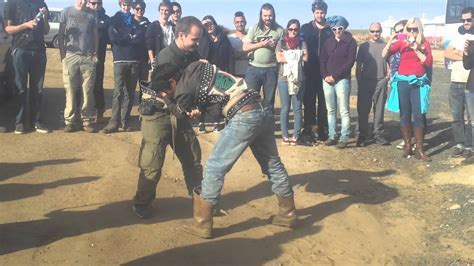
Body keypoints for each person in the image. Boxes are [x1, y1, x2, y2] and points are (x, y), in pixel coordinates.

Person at [151, 61, 298, 239]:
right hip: (260, 107)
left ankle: (202, 223)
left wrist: (166, 100)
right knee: (273, 163)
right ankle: (288, 213)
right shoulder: (194, 67)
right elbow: (211, 93)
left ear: (172, 81)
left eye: (167, 90)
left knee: (214, 167)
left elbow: (180, 112)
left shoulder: (182, 88)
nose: (169, 93)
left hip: (244, 115)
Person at [132, 16, 204, 219]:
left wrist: (195, 107)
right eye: (194, 39)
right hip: (157, 112)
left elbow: (195, 86)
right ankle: (142, 203)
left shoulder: (193, 54)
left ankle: (202, 203)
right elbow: (164, 92)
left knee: (192, 157)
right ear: (181, 36)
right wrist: (183, 109)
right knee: (152, 162)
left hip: (179, 111)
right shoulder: (166, 57)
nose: (197, 44)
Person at [385, 17, 433, 161]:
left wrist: (416, 49)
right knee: (405, 114)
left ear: (419, 29)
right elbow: (385, 54)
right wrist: (392, 39)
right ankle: (407, 145)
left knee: (418, 115)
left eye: (415, 29)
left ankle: (419, 149)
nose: (412, 31)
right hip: (403, 81)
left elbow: (428, 62)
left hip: (418, 82)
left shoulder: (424, 43)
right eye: (409, 29)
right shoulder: (401, 43)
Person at [4, 0, 51, 134]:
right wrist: (26, 25)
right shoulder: (12, 4)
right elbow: (8, 29)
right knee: (20, 88)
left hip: (39, 51)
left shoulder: (41, 3)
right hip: (20, 50)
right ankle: (20, 122)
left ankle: (36, 121)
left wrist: (46, 17)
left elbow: (46, 30)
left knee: (38, 89)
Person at [102, 0, 145, 133]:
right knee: (118, 92)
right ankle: (113, 122)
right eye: (124, 5)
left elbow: (139, 38)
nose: (126, 7)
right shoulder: (114, 20)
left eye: (128, 5)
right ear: (120, 5)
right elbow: (114, 38)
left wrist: (126, 37)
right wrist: (129, 37)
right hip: (119, 60)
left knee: (130, 93)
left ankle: (124, 121)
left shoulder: (135, 21)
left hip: (134, 60)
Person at [59, 0, 99, 133]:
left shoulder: (92, 14)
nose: (83, 2)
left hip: (88, 56)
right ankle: (69, 121)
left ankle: (86, 120)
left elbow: (95, 35)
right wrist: (62, 55)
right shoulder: (66, 12)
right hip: (71, 55)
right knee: (70, 89)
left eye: (86, 0)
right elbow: (60, 34)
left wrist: (95, 53)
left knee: (87, 90)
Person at [320, 16, 357, 149]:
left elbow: (349, 62)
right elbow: (322, 59)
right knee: (330, 110)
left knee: (344, 110)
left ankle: (344, 137)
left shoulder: (351, 42)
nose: (337, 31)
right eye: (334, 29)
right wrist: (325, 75)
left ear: (344, 28)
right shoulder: (328, 41)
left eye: (339, 28)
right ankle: (332, 136)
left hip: (342, 80)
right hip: (327, 80)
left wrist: (334, 76)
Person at [300, 0, 332, 144]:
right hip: (309, 70)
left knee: (324, 102)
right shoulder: (305, 28)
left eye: (322, 12)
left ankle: (323, 130)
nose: (320, 15)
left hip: (325, 71)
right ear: (313, 13)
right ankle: (309, 129)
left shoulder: (330, 29)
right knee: (309, 101)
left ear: (326, 13)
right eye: (317, 12)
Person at [243, 3, 284, 113]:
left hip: (271, 69)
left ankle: (268, 127)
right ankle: (253, 127)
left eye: (270, 15)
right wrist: (261, 44)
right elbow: (245, 47)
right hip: (253, 69)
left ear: (273, 15)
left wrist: (276, 46)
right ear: (261, 15)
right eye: (265, 15)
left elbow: (284, 51)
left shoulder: (280, 30)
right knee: (250, 100)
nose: (268, 18)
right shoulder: (254, 28)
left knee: (269, 102)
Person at [444, 7, 473, 158]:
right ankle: (459, 143)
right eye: (463, 20)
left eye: (469, 19)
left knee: (471, 118)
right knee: (456, 116)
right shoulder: (458, 35)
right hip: (455, 81)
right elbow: (447, 53)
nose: (466, 22)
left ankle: (469, 146)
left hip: (470, 82)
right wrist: (465, 56)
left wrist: (460, 53)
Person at [355, 22, 390, 147]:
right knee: (363, 110)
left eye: (378, 31)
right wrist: (359, 81)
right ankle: (362, 135)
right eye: (373, 31)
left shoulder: (385, 46)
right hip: (366, 81)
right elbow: (358, 66)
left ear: (381, 32)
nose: (376, 33)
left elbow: (391, 63)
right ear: (369, 32)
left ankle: (378, 134)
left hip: (381, 81)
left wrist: (388, 77)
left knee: (379, 109)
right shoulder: (364, 46)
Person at [197, 15, 233, 133]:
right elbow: (202, 53)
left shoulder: (223, 37)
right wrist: (204, 32)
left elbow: (229, 56)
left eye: (211, 23)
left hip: (221, 71)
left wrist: (230, 73)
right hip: (205, 72)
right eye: (206, 25)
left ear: (215, 24)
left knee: (218, 98)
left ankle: (217, 122)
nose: (209, 26)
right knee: (203, 97)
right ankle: (201, 122)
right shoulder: (203, 38)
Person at [276, 19, 308, 145]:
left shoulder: (302, 42)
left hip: (299, 79)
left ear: (298, 30)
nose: (293, 31)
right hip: (284, 79)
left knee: (297, 108)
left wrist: (288, 55)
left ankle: (296, 135)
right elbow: (279, 58)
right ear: (287, 29)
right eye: (290, 29)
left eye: (295, 29)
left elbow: (306, 57)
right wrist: (297, 55)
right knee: (285, 107)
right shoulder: (281, 42)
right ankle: (285, 135)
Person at [87, 0, 110, 124]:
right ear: (88, 3)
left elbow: (111, 39)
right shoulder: (83, 15)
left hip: (98, 58)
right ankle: (82, 112)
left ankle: (100, 110)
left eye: (98, 3)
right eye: (93, 3)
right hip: (83, 56)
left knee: (97, 84)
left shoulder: (106, 20)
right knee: (82, 85)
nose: (95, 6)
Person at [146, 1, 174, 71]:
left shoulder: (174, 28)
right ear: (159, 11)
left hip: (172, 59)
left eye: (166, 10)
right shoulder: (153, 26)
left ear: (170, 12)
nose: (164, 12)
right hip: (159, 59)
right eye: (162, 10)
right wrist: (152, 62)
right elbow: (150, 46)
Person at [462, 33, 474, 164]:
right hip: (472, 86)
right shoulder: (472, 43)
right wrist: (466, 52)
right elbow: (467, 65)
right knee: (473, 122)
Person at [131, 1, 150, 83]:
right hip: (131, 59)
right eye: (137, 9)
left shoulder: (149, 25)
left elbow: (150, 42)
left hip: (144, 60)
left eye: (142, 9)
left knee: (144, 86)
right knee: (130, 87)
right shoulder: (128, 22)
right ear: (133, 9)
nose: (140, 11)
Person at [228, 11, 248, 77]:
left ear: (245, 22)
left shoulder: (250, 38)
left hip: (249, 73)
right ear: (234, 23)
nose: (240, 24)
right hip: (234, 73)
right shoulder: (229, 38)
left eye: (242, 22)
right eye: (237, 22)